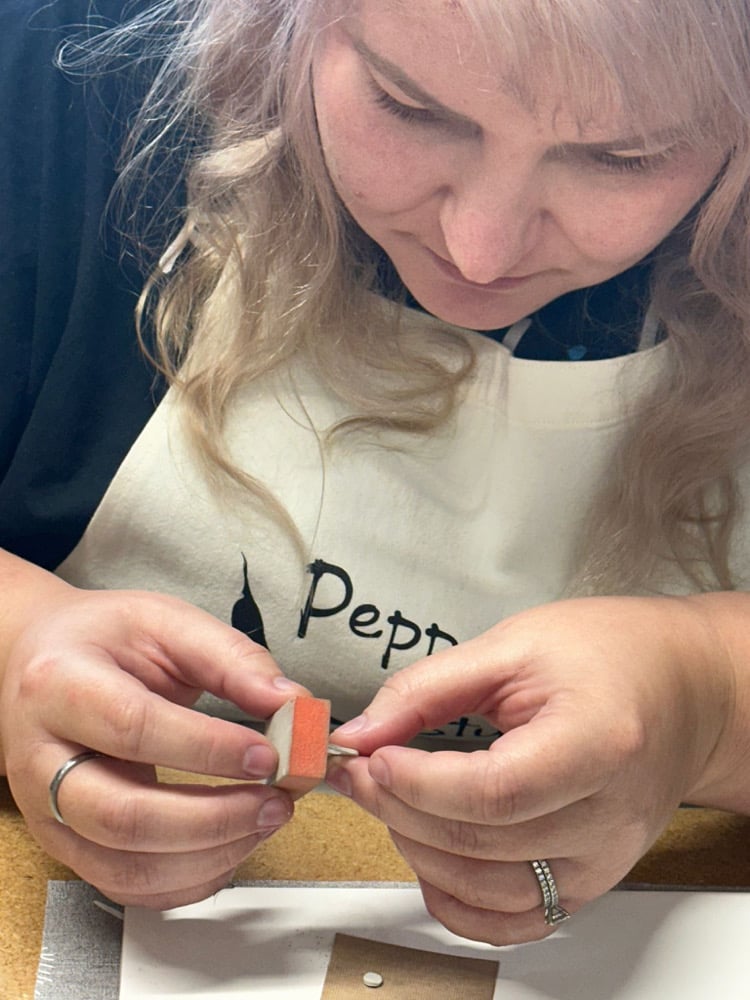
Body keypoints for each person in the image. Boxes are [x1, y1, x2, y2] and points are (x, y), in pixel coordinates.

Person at [1, 0, 749, 946]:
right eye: (410, 107)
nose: (480, 249)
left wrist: (713, 699)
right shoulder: (59, 77)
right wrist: (17, 647)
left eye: (624, 158)